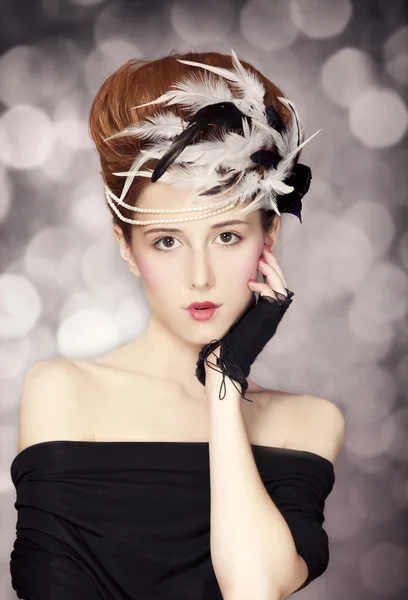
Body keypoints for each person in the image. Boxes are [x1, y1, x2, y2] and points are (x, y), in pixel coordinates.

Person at [9, 50, 345, 600]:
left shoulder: (306, 423)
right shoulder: (64, 393)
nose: (200, 277)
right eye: (167, 241)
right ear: (126, 246)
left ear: (270, 237)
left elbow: (252, 589)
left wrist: (224, 382)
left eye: (228, 236)